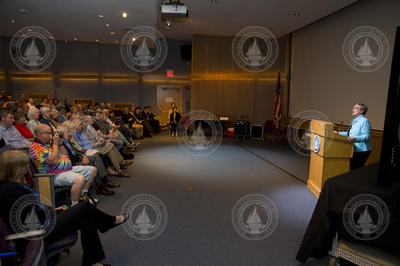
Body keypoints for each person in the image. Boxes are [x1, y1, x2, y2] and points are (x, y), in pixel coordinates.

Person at [0, 150, 127, 266]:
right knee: (84, 207)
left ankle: (92, 261)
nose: (28, 167)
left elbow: (30, 212)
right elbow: (29, 219)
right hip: (36, 234)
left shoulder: (13, 185)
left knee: (86, 218)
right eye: (25, 165)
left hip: (43, 222)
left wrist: (54, 210)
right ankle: (109, 222)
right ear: (15, 168)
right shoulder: (9, 190)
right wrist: (52, 213)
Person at [30, 124, 97, 206]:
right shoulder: (36, 148)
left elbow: (67, 156)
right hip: (52, 175)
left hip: (65, 170)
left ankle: (82, 195)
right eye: (49, 133)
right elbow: (53, 161)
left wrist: (61, 144)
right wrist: (55, 144)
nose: (52, 135)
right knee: (80, 178)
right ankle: (75, 205)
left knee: (93, 170)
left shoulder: (47, 144)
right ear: (40, 134)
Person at [337, 103, 372, 170]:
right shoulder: (355, 121)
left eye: (356, 108)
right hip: (355, 149)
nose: (353, 109)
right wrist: (338, 133)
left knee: (357, 169)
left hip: (362, 150)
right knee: (354, 169)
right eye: (353, 108)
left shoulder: (364, 121)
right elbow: (349, 134)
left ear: (362, 111)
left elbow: (366, 136)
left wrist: (355, 138)